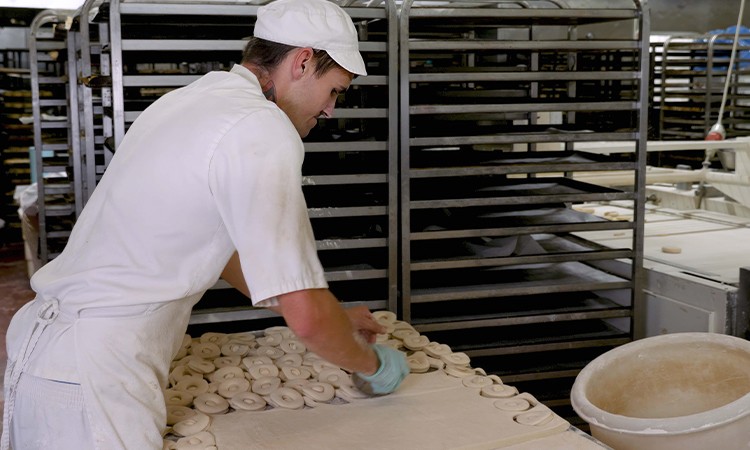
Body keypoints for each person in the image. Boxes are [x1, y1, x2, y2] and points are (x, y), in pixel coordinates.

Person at [1, 0, 409, 448]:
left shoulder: (188, 101)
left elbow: (222, 247)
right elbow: (308, 319)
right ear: (303, 60)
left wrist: (333, 316)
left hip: (49, 353)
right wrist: (372, 364)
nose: (331, 109)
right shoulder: (261, 126)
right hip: (99, 373)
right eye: (335, 90)